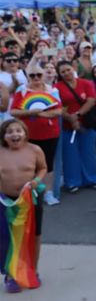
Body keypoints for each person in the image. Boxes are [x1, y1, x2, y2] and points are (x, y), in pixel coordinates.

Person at [0, 119, 45, 293]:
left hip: (30, 199)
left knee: (33, 235)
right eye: (10, 131)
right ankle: (11, 273)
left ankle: (32, 270)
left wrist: (36, 181)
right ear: (4, 136)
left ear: (25, 133)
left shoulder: (35, 150)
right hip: (5, 199)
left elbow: (43, 168)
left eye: (19, 131)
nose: (15, 134)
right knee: (6, 237)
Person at [10, 62, 62, 206]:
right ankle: (30, 193)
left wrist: (42, 114)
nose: (36, 77)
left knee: (48, 164)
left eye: (39, 74)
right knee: (29, 164)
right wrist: (29, 112)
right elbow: (13, 111)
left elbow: (59, 111)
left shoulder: (52, 90)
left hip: (50, 133)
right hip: (28, 135)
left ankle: (48, 193)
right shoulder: (22, 90)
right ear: (28, 77)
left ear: (44, 75)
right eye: (32, 75)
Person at [54, 60, 96, 193]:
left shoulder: (86, 83)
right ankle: (72, 182)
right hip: (68, 125)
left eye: (68, 69)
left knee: (89, 152)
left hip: (87, 122)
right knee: (70, 154)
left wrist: (78, 115)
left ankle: (92, 179)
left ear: (73, 68)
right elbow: (58, 106)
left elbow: (91, 100)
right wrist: (71, 118)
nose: (66, 73)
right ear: (59, 74)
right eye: (63, 72)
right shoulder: (57, 87)